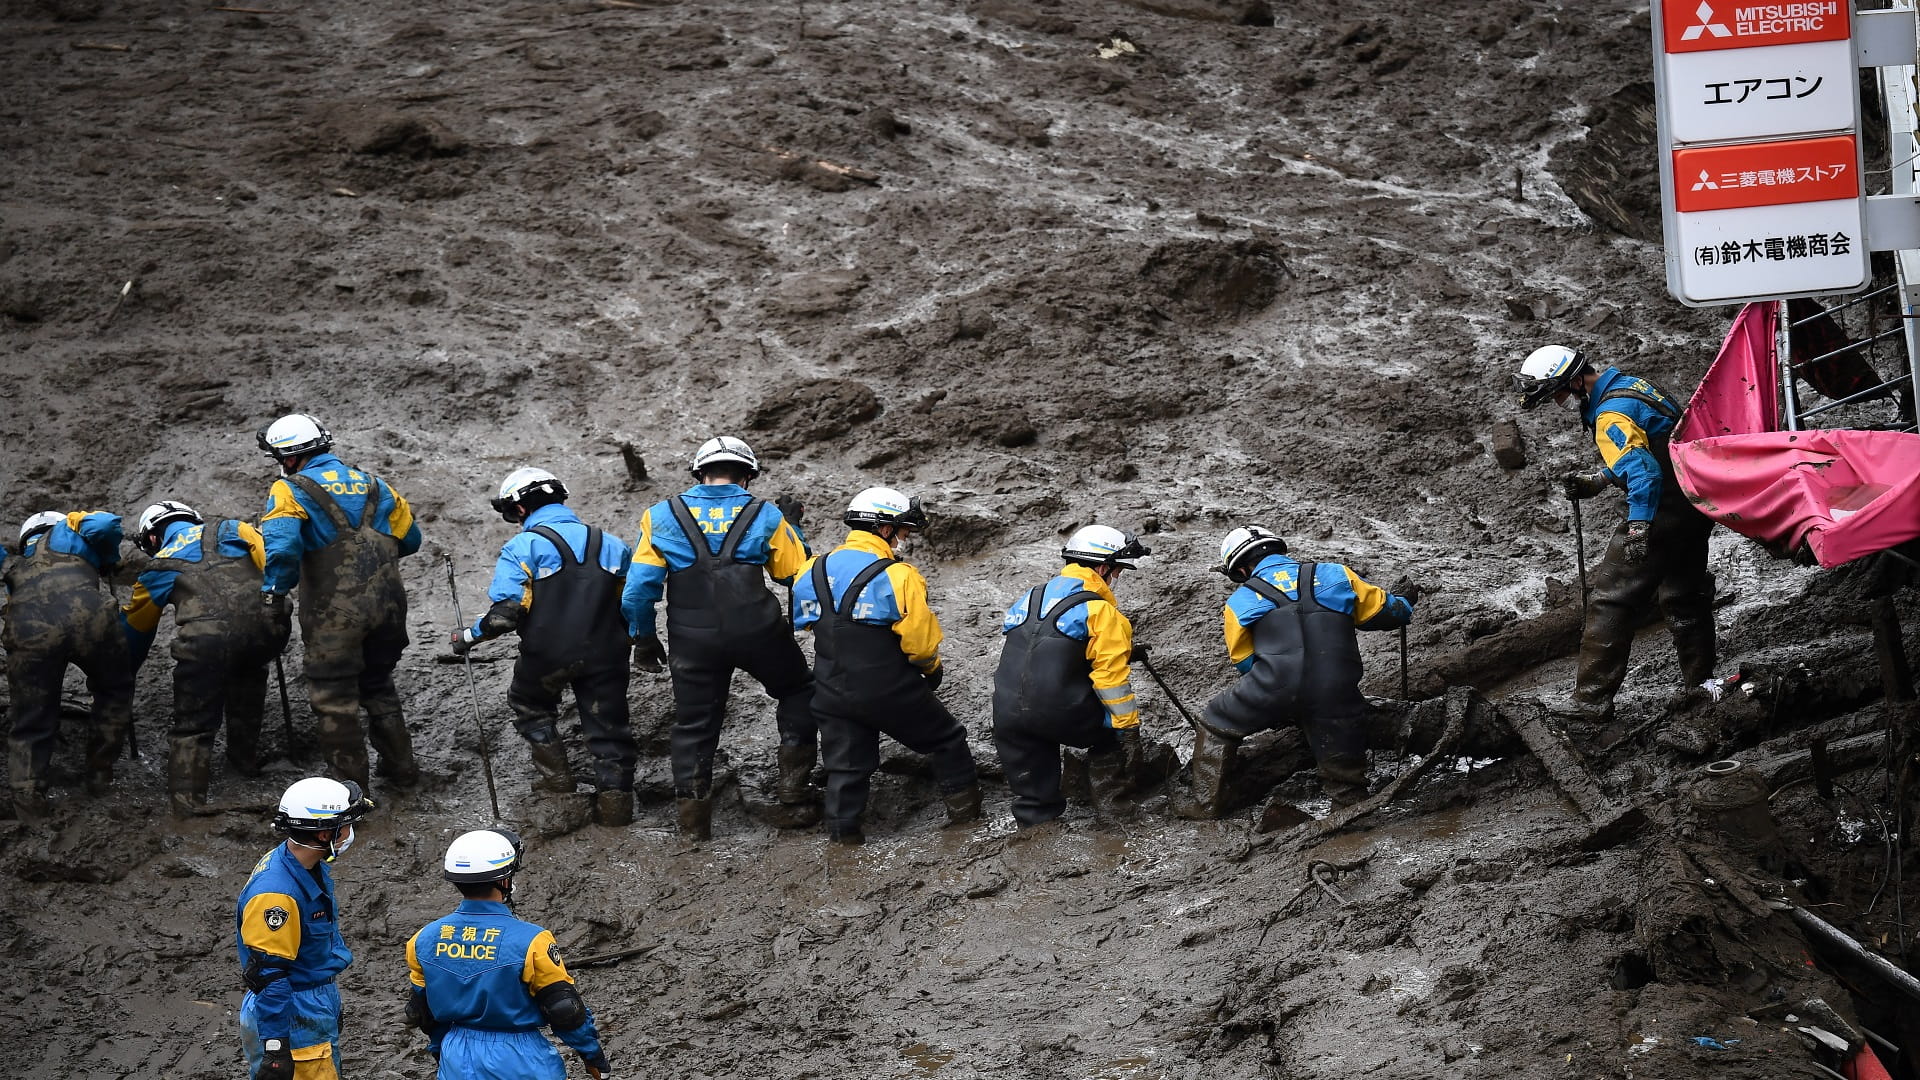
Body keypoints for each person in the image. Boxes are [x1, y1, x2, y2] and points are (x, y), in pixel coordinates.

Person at [619, 436, 815, 840]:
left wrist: (643, 637)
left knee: (694, 726)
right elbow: (797, 573)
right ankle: (793, 790)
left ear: (699, 473)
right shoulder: (765, 514)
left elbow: (638, 588)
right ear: (747, 475)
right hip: (760, 632)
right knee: (798, 693)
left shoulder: (659, 515)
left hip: (693, 639)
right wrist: (793, 528)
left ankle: (692, 828)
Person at [1513, 344, 1716, 721]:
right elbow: (1654, 448)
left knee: (1612, 599)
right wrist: (1600, 479)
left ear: (1575, 381)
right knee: (1684, 594)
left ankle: (1590, 702)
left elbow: (1646, 474)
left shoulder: (1609, 416)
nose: (1556, 402)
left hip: (1659, 508)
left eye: (1556, 392)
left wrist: (1639, 527)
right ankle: (1701, 682)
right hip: (1694, 501)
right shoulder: (1630, 386)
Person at [1179, 525, 1418, 818]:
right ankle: (1349, 811)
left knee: (1215, 722)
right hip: (1337, 688)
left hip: (1275, 685)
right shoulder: (1336, 574)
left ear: (1239, 571)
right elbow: (1387, 613)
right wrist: (1405, 601)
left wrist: (1280, 701)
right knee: (1343, 762)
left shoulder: (1239, 602)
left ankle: (1204, 809)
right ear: (1280, 550)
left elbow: (1244, 662)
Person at [452, 468, 639, 826]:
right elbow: (631, 606)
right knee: (610, 728)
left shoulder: (524, 546)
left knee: (530, 704)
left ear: (520, 509)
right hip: (607, 656)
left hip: (547, 656)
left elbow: (505, 615)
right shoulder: (613, 545)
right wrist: (639, 642)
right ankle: (617, 813)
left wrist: (469, 637)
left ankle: (558, 783)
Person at [792, 487, 979, 844]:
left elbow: (804, 621)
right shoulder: (899, 575)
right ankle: (966, 825)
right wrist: (931, 669)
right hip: (888, 687)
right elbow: (920, 642)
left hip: (829, 689)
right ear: (884, 528)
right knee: (948, 740)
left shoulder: (810, 569)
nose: (904, 538)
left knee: (846, 769)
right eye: (903, 530)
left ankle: (843, 845)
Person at [257, 413, 422, 790]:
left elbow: (282, 549)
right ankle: (403, 773)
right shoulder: (378, 486)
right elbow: (412, 541)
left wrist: (273, 594)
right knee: (378, 683)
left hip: (336, 617)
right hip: (390, 609)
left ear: (289, 457)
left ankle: (351, 793)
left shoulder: (289, 490)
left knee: (334, 697)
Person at [122, 501, 291, 816]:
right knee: (250, 674)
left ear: (153, 539)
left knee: (193, 721)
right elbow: (274, 562)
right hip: (267, 632)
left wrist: (124, 672)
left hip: (206, 645)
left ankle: (187, 802)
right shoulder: (233, 528)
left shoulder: (157, 567)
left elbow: (136, 631)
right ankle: (244, 764)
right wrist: (278, 609)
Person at [404, 830, 615, 1080]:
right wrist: (590, 1052)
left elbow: (423, 1012)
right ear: (504, 880)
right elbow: (565, 1010)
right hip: (519, 1057)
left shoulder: (422, 939)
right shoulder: (532, 941)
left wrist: (441, 1049)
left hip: (456, 1051)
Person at [991, 524, 1160, 827]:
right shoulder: (1101, 612)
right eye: (1117, 571)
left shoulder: (1029, 597)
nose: (1117, 578)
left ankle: (1035, 835)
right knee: (1110, 738)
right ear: (1103, 568)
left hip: (1007, 713)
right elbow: (1111, 681)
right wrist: (1127, 731)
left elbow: (1040, 647)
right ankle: (1116, 816)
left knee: (1033, 800)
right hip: (1060, 715)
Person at [236, 776, 374, 1080]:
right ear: (325, 833)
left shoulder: (301, 865)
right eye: (347, 824)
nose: (351, 832)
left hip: (308, 1003)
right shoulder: (277, 894)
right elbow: (269, 974)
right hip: (291, 1014)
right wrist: (276, 1048)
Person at [3, 509, 133, 819]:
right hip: (90, 616)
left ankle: (28, 798)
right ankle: (100, 775)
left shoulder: (16, 562)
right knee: (114, 690)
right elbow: (107, 523)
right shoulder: (67, 532)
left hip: (28, 625)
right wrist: (109, 554)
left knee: (30, 712)